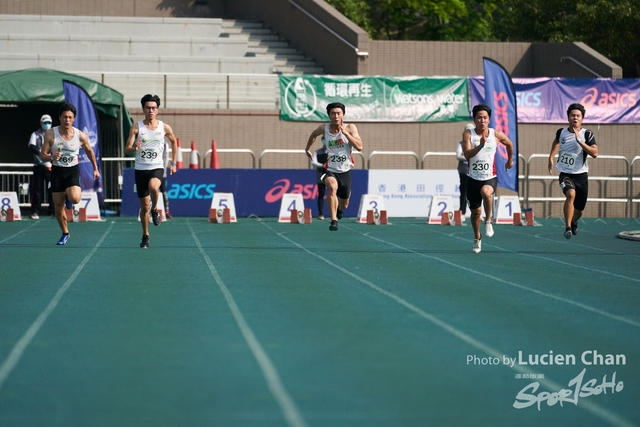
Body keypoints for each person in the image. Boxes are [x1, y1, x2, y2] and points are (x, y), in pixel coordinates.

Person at [39, 103, 100, 245]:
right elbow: (42, 155)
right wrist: (52, 157)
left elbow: (90, 152)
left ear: (74, 119)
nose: (67, 120)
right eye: (65, 117)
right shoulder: (51, 134)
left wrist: (95, 168)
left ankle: (69, 198)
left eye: (70, 117)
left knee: (75, 199)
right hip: (57, 172)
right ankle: (65, 233)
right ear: (59, 117)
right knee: (58, 207)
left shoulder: (80, 135)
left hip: (72, 171)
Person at [125, 94, 178, 248]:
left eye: (153, 108)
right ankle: (145, 235)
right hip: (141, 169)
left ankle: (156, 209)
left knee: (154, 187)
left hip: (156, 166)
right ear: (143, 109)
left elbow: (174, 142)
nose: (150, 110)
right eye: (148, 107)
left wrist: (173, 162)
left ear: (157, 110)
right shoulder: (136, 127)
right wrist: (134, 147)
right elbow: (127, 149)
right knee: (143, 207)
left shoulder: (164, 127)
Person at [462, 104, 514, 253]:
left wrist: (509, 160)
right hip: (472, 178)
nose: (482, 120)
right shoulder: (468, 134)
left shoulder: (495, 134)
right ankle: (477, 237)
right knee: (476, 213)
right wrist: (480, 146)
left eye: (485, 118)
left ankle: (489, 221)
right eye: (479, 117)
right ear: (475, 119)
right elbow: (467, 155)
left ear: (489, 119)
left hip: (489, 177)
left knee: (486, 193)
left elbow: (509, 144)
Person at [305, 102, 363, 231]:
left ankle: (340, 210)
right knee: (332, 187)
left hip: (345, 170)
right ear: (329, 115)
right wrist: (307, 148)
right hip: (330, 169)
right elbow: (314, 135)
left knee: (344, 204)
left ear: (343, 115)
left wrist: (346, 134)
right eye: (333, 114)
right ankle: (333, 221)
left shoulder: (350, 128)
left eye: (338, 113)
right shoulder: (323, 128)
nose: (336, 116)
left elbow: (359, 147)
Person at [547, 103, 598, 239]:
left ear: (582, 118)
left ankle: (574, 222)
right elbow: (556, 142)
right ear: (568, 117)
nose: (575, 118)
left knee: (580, 211)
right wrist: (551, 157)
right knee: (570, 194)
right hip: (565, 174)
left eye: (578, 116)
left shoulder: (587, 134)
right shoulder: (561, 132)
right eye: (572, 115)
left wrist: (580, 141)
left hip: (581, 176)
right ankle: (568, 227)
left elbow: (595, 153)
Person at [28, 114, 54, 219]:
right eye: (45, 123)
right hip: (38, 166)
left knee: (52, 188)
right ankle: (35, 211)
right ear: (40, 123)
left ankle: (53, 211)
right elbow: (31, 146)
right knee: (37, 189)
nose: (47, 125)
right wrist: (41, 154)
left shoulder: (54, 135)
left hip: (50, 166)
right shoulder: (35, 134)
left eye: (49, 123)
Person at [456, 123, 475, 218]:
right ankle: (462, 212)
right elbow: (458, 156)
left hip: (475, 170)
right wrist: (470, 156)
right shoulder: (461, 144)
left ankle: (476, 212)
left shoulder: (476, 143)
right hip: (464, 170)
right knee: (463, 191)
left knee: (475, 192)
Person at [310, 145, 328, 220]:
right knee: (321, 194)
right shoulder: (317, 152)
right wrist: (322, 165)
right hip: (321, 174)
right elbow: (313, 162)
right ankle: (321, 213)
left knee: (334, 193)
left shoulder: (333, 151)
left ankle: (336, 212)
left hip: (332, 173)